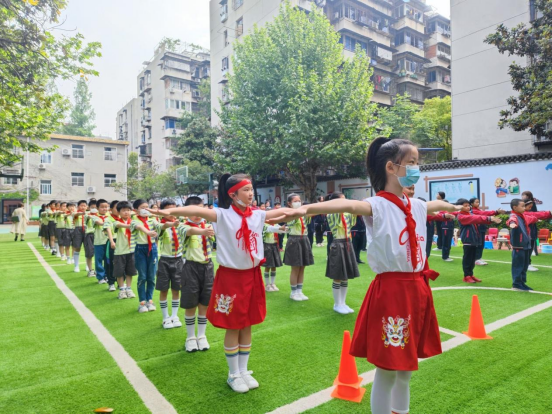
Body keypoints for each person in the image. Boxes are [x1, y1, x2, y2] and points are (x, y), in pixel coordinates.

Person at [295, 137, 458, 414]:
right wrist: (306, 209)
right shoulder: (377, 205)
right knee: (388, 369)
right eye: (412, 163)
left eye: (418, 163)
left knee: (405, 371)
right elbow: (348, 206)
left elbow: (437, 207)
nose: (417, 169)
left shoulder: (415, 204)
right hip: (392, 292)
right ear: (392, 168)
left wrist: (459, 209)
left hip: (418, 288)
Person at [151, 173, 297, 393]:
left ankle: (243, 369)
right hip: (231, 278)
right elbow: (195, 211)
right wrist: (169, 211)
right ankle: (233, 374)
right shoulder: (222, 215)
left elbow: (285, 212)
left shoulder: (257, 215)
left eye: (251, 189)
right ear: (233, 194)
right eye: (245, 190)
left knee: (247, 323)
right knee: (233, 325)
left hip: (253, 276)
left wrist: (304, 209)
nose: (251, 194)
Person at [153, 198, 212, 332]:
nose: (173, 214)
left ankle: (174, 316)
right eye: (169, 210)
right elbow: (166, 227)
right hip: (165, 260)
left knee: (176, 289)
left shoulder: (203, 225)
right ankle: (165, 317)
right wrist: (171, 223)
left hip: (180, 260)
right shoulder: (161, 224)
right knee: (163, 289)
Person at [179, 196, 216, 352]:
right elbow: (190, 231)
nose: (197, 213)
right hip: (190, 267)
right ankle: (190, 337)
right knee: (190, 303)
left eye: (200, 209)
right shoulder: (182, 226)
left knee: (205, 303)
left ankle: (201, 335)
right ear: (186, 212)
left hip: (207, 267)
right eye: (193, 210)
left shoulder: (209, 225)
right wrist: (203, 231)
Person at [109, 201, 157, 301]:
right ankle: (122, 289)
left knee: (130, 271)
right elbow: (123, 226)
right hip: (120, 251)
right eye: (123, 211)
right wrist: (145, 230)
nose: (126, 212)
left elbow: (139, 223)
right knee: (119, 272)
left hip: (132, 250)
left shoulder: (135, 220)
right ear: (118, 212)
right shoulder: (116, 222)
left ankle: (129, 288)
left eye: (128, 210)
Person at [326, 192, 360, 314]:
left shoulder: (345, 213)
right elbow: (341, 214)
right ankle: (337, 304)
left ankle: (343, 303)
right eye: (342, 200)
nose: (345, 202)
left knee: (346, 276)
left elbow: (353, 221)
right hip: (338, 243)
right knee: (337, 276)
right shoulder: (332, 213)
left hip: (347, 243)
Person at [507, 199, 551, 291]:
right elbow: (511, 220)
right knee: (518, 265)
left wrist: (537, 219)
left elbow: (533, 217)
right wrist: (512, 223)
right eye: (522, 206)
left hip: (526, 245)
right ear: (515, 207)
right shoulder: (514, 216)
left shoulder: (523, 215)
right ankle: (516, 284)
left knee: (524, 265)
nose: (524, 208)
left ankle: (522, 283)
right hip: (519, 246)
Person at [456, 198, 501, 283]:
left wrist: (491, 219)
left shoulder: (470, 214)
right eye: (465, 206)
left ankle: (471, 274)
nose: (468, 207)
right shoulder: (461, 216)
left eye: (468, 205)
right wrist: (489, 218)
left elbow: (479, 219)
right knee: (467, 258)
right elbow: (476, 218)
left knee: (473, 258)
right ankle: (466, 276)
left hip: (474, 238)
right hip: (468, 239)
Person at [284, 194, 314, 301]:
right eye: (295, 201)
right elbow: (290, 223)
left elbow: (311, 216)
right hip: (294, 240)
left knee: (302, 267)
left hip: (304, 239)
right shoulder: (289, 213)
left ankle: (299, 291)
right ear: (289, 203)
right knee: (295, 267)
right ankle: (293, 292)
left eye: (299, 200)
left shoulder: (303, 213)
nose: (298, 203)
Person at [132, 199, 160, 313]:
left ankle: (150, 300)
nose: (145, 209)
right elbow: (139, 227)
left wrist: (171, 223)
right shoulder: (133, 220)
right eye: (142, 207)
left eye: (147, 207)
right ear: (136, 210)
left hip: (152, 248)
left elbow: (160, 226)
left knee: (151, 277)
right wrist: (148, 232)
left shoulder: (153, 220)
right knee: (142, 276)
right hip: (140, 249)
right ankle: (142, 302)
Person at [470, 197, 505, 266]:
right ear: (471, 204)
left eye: (478, 202)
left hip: (482, 228)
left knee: (481, 244)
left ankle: (479, 257)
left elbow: (485, 218)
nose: (478, 203)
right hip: (478, 228)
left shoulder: (478, 210)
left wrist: (493, 219)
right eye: (476, 202)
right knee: (479, 244)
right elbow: (484, 213)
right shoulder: (474, 211)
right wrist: (496, 212)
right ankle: (476, 259)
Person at [88, 199, 110, 285]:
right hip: (99, 242)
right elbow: (99, 223)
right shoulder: (94, 217)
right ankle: (100, 276)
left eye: (106, 207)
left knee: (108, 260)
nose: (104, 209)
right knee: (99, 260)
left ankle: (107, 275)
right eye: (102, 207)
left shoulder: (109, 216)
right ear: (97, 208)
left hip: (108, 241)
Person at [262, 222, 287, 292]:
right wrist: (280, 228)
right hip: (267, 246)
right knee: (268, 266)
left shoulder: (275, 224)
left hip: (275, 245)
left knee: (274, 265)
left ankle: (273, 283)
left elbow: (281, 230)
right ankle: (267, 285)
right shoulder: (265, 224)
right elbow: (271, 229)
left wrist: (285, 229)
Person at [104, 200, 120, 292]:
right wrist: (111, 241)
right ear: (111, 209)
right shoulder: (108, 219)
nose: (119, 210)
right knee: (110, 263)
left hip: (123, 242)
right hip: (113, 241)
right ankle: (111, 282)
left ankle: (120, 282)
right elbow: (108, 229)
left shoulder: (125, 218)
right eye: (116, 208)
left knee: (122, 262)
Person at [522, 191, 539, 271]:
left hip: (532, 229)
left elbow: (536, 214)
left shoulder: (532, 207)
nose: (522, 197)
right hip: (526, 232)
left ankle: (527, 263)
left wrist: (548, 213)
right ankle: (526, 264)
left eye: (524, 196)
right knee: (526, 247)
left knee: (531, 244)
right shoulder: (522, 213)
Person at [71, 200, 89, 273]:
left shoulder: (88, 213)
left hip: (87, 230)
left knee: (87, 248)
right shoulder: (75, 213)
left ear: (87, 207)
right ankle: (76, 266)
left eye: (84, 205)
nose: (83, 207)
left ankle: (88, 265)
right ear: (78, 206)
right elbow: (76, 215)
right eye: (81, 205)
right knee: (77, 248)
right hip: (77, 230)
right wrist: (83, 213)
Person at [83, 200, 97, 277]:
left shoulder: (100, 214)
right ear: (89, 207)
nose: (94, 209)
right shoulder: (87, 214)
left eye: (95, 207)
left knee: (99, 254)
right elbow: (88, 217)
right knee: (89, 253)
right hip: (89, 235)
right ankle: (91, 270)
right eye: (92, 207)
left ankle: (99, 270)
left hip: (98, 235)